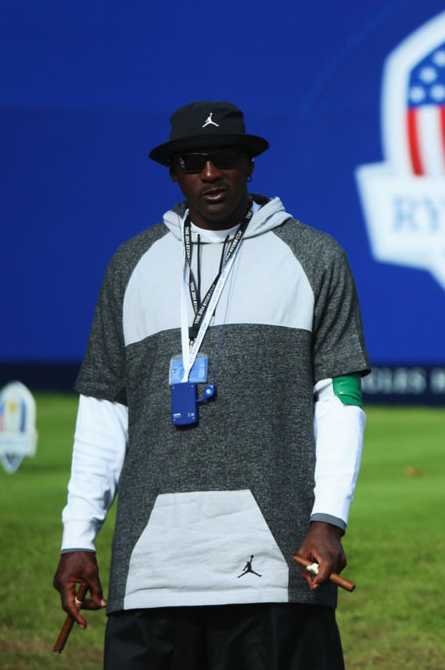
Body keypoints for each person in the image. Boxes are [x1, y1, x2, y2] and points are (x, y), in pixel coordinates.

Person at [52, 101, 370, 669]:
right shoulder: (131, 265)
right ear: (173, 173)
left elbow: (341, 401)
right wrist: (78, 538)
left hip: (276, 573)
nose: (209, 173)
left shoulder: (316, 257)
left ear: (248, 164)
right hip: (151, 571)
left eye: (223, 157)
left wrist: (328, 520)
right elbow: (103, 407)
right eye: (192, 161)